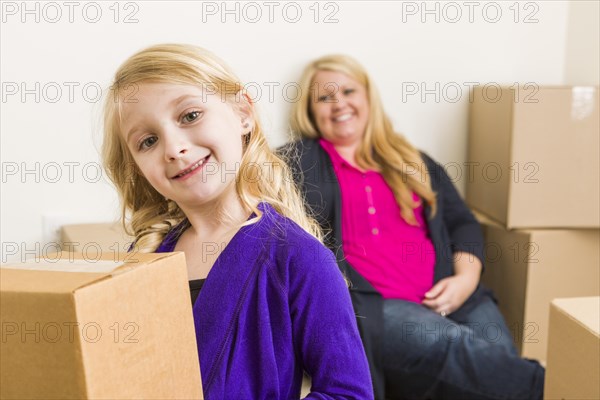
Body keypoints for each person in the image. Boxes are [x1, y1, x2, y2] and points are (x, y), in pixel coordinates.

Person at [101, 44, 373, 400]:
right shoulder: (145, 255)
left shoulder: (299, 258)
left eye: (190, 116)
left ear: (243, 113)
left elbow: (348, 393)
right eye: (148, 141)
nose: (173, 147)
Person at [282, 54, 545, 400]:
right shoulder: (296, 165)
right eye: (325, 97)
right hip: (377, 309)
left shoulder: (413, 159)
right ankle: (561, 385)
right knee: (464, 352)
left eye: (348, 91)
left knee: (494, 360)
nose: (339, 104)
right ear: (310, 110)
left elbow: (461, 222)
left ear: (367, 98)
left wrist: (466, 279)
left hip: (455, 293)